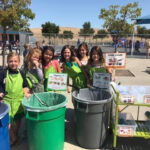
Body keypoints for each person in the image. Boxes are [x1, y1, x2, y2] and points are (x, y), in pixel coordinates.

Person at [0, 52, 30, 145]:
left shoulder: (22, 73)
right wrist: (0, 92)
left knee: (17, 120)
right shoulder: (3, 72)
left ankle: (15, 133)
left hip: (18, 101)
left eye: (15, 61)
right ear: (8, 62)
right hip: (7, 100)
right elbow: (0, 85)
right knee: (7, 120)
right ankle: (13, 137)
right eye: (11, 61)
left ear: (19, 62)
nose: (13, 63)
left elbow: (25, 85)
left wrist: (26, 92)